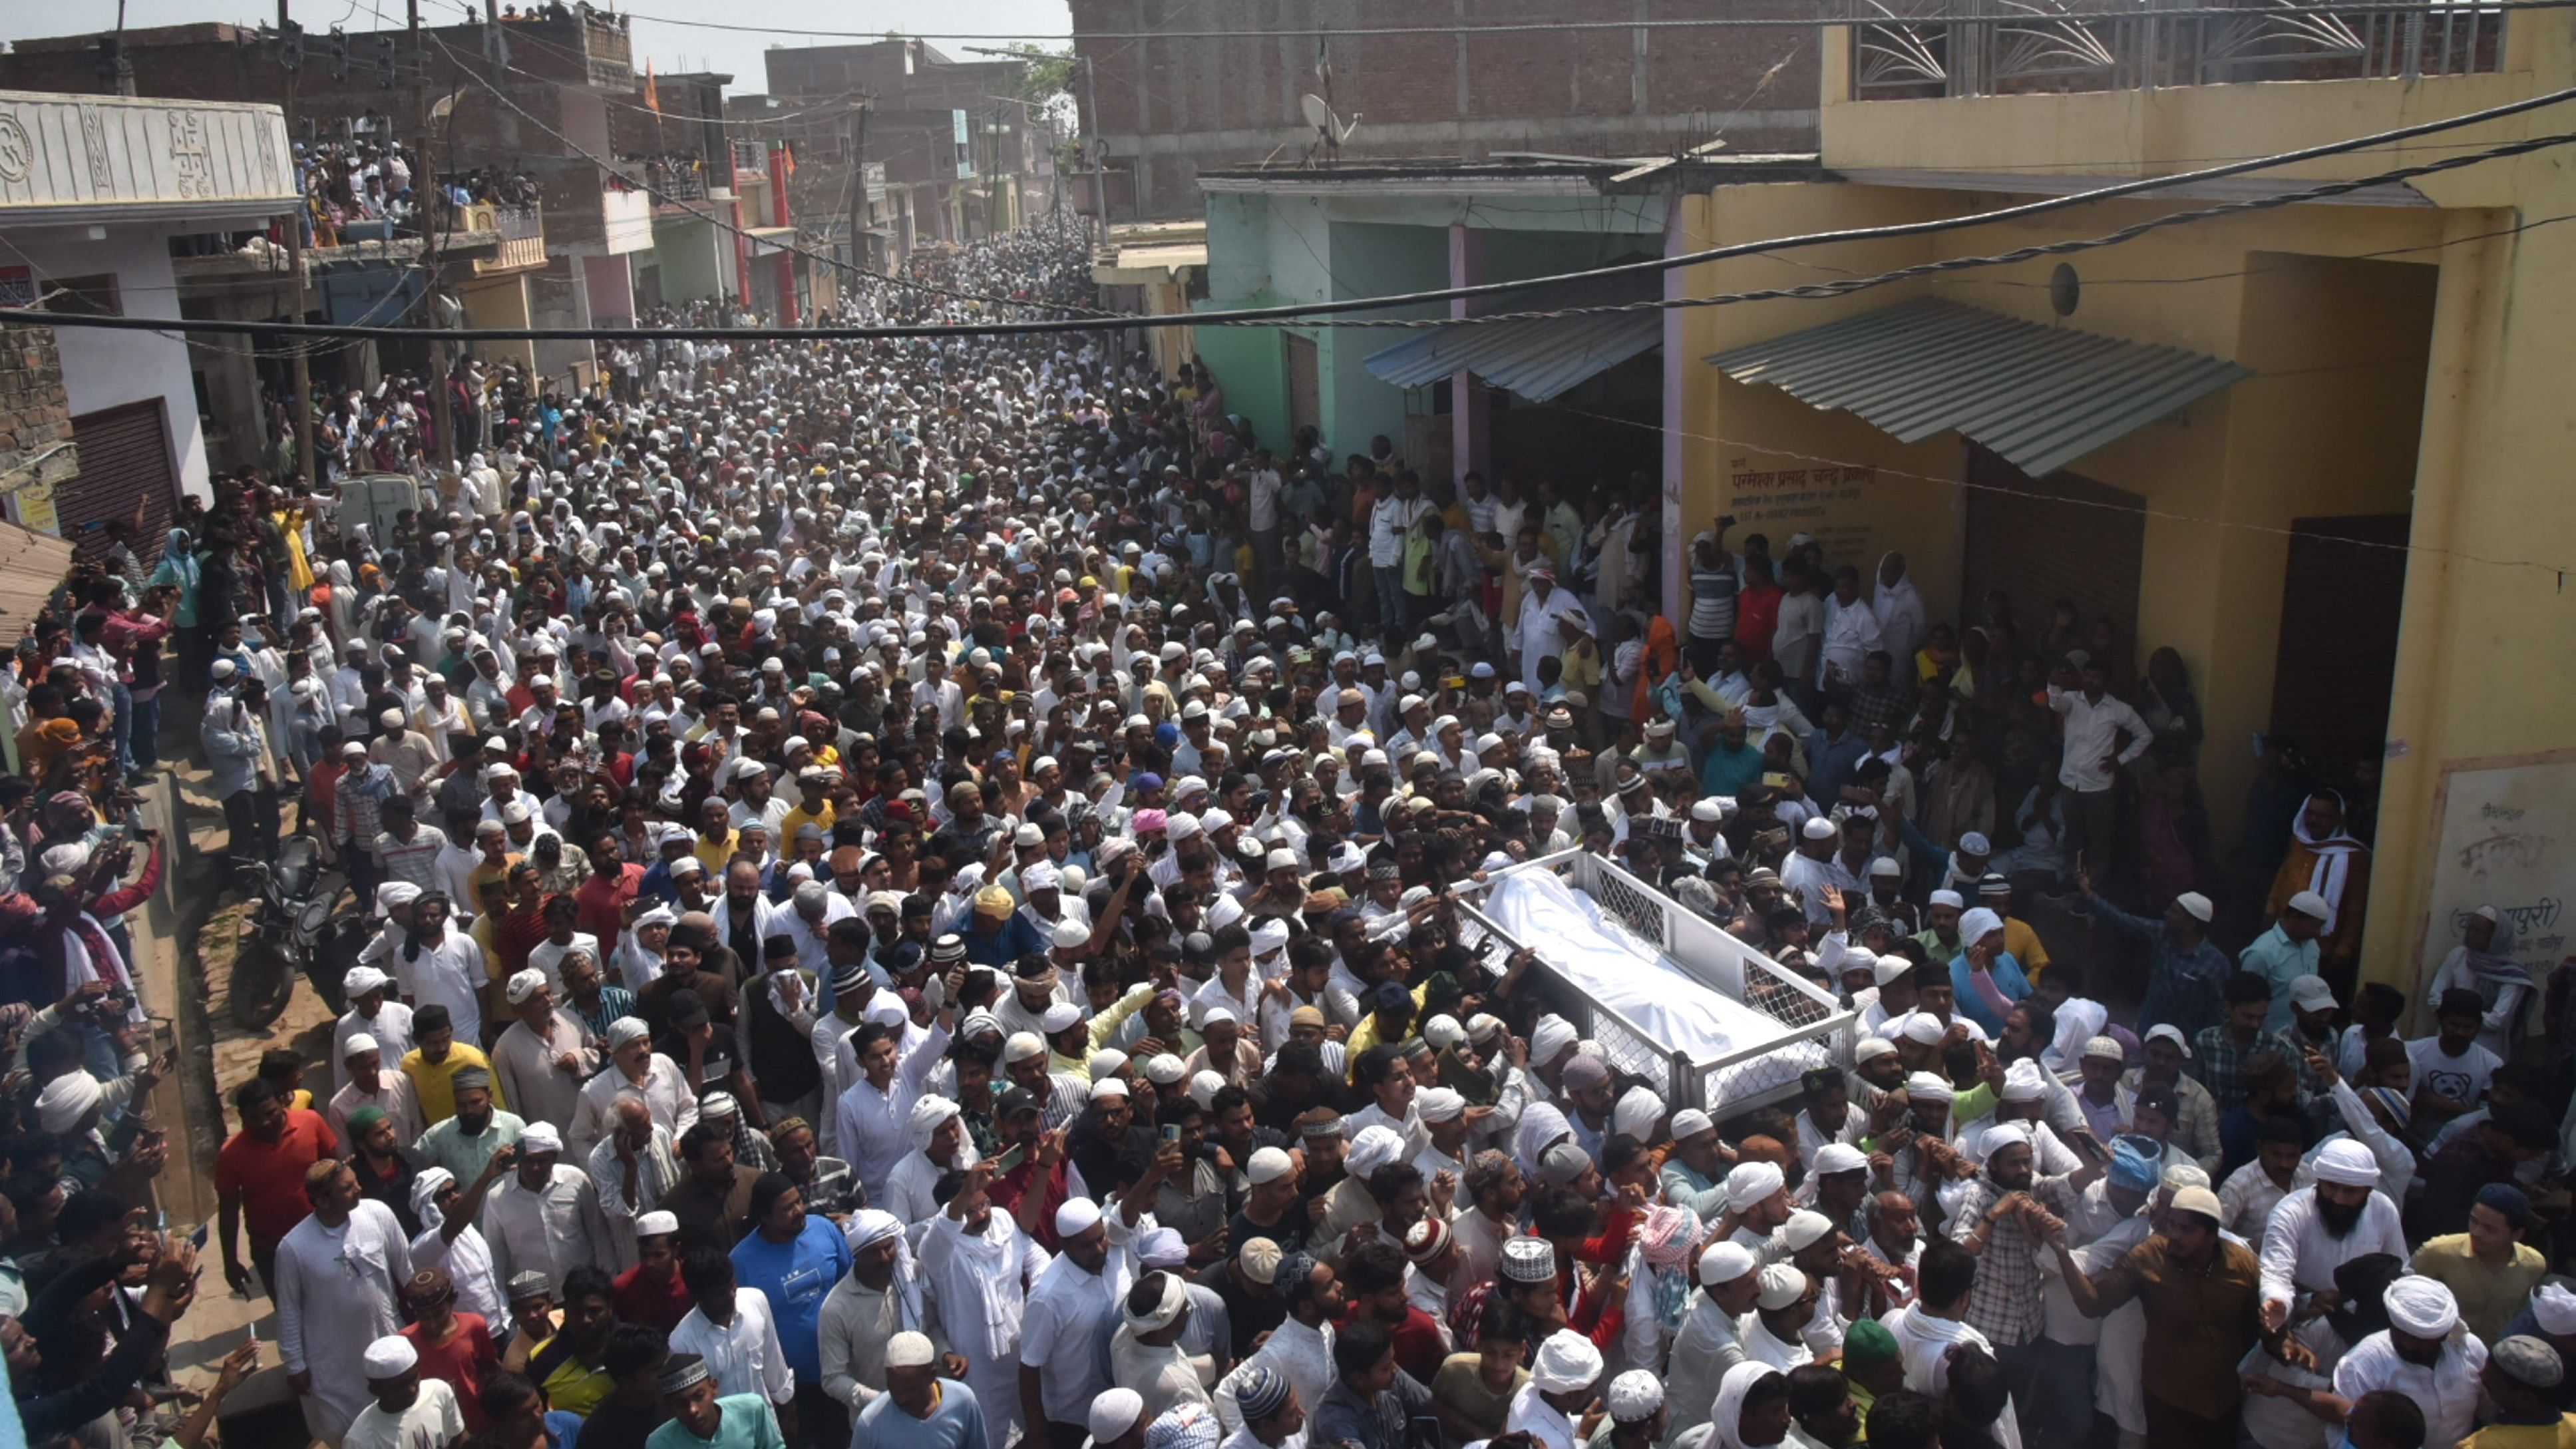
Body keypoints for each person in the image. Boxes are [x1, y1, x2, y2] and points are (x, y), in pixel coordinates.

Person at [276, 1158, 419, 1442]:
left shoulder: (378, 1214)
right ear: (323, 1201)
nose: (359, 1189)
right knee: (345, 1434)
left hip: (384, 1337)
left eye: (356, 1183)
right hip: (333, 1362)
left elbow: (408, 1273)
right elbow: (288, 1312)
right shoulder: (294, 1247)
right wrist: (295, 1366)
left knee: (399, 1427)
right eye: (348, 1188)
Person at [344, 1334, 466, 1449]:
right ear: (375, 1390)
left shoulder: (439, 1392)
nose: (412, 1389)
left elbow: (457, 1437)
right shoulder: (360, 1440)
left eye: (413, 1378)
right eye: (398, 1387)